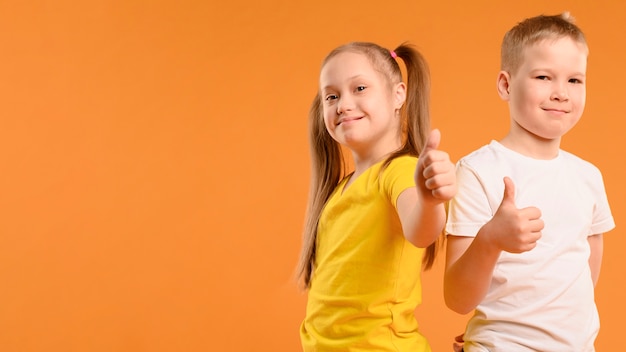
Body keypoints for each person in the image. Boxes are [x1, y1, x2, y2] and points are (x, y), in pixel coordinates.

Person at [444, 13, 616, 351]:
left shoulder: (588, 177)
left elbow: (587, 266)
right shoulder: (478, 171)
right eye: (544, 76)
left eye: (574, 80)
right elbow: (457, 298)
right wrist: (490, 239)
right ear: (506, 85)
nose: (561, 93)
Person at [296, 41, 457, 351]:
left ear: (398, 95)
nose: (343, 104)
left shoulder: (399, 171)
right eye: (332, 96)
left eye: (359, 88)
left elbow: (421, 230)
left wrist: (429, 200)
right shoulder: (342, 188)